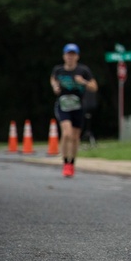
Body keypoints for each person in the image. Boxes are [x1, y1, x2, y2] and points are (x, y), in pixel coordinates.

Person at [49, 43, 99, 177]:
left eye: (73, 54)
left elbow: (94, 87)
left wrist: (83, 82)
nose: (70, 57)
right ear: (64, 56)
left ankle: (72, 163)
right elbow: (53, 79)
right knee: (67, 133)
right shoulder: (58, 70)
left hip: (78, 106)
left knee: (76, 136)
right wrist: (55, 87)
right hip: (63, 105)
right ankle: (65, 162)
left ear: (77, 56)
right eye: (68, 54)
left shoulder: (83, 70)